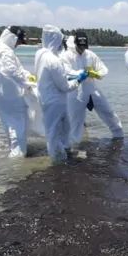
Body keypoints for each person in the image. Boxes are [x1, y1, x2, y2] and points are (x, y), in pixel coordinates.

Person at [35, 26, 89, 162]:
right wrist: (79, 80)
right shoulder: (54, 60)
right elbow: (65, 87)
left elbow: (54, 76)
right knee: (53, 133)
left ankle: (66, 152)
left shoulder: (40, 54)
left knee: (65, 128)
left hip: (48, 99)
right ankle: (58, 162)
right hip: (55, 101)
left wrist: (71, 76)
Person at [62, 30, 124, 145]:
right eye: (80, 46)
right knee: (76, 121)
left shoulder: (90, 54)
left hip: (92, 89)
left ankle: (119, 136)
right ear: (75, 44)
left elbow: (103, 69)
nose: (82, 49)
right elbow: (66, 72)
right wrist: (81, 73)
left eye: (84, 46)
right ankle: (74, 146)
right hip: (76, 92)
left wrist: (97, 74)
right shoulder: (66, 56)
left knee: (108, 112)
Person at [0, 25, 37, 158]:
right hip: (12, 97)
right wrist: (27, 84)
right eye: (19, 41)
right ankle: (18, 160)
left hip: (3, 96)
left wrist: (28, 75)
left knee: (11, 126)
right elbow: (11, 71)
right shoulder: (5, 51)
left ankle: (13, 151)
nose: (20, 44)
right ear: (12, 38)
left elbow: (17, 69)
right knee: (18, 128)